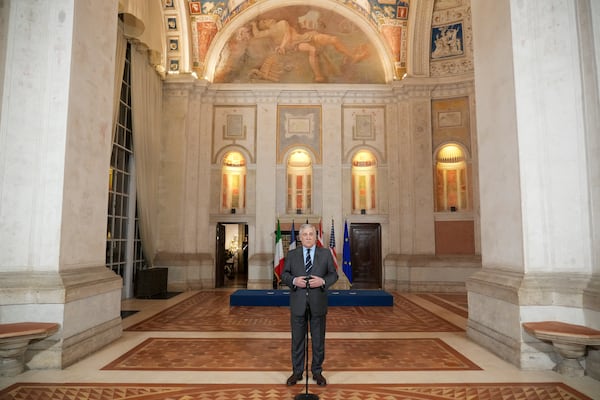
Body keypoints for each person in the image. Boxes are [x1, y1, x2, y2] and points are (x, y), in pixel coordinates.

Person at [281, 223, 338, 386]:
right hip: (298, 304)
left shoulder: (325, 254)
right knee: (297, 340)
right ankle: (297, 372)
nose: (307, 237)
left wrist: (322, 281)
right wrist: (293, 280)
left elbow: (334, 275)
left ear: (315, 236)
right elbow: (284, 274)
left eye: (310, 234)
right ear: (300, 237)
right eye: (304, 234)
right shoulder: (292, 254)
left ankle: (317, 372)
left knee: (318, 341)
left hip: (318, 303)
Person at [251, 18, 368, 82]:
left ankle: (353, 56)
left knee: (333, 39)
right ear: (266, 26)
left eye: (266, 20)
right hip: (296, 45)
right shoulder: (269, 32)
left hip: (305, 38)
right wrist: (253, 25)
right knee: (312, 50)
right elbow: (256, 35)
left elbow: (287, 34)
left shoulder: (282, 23)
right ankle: (318, 76)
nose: (268, 20)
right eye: (264, 22)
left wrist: (282, 46)